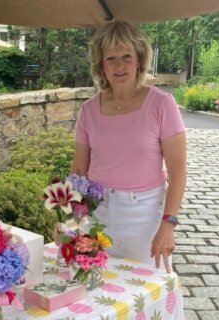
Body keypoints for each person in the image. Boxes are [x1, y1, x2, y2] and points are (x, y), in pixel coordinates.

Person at [71, 20, 186, 273]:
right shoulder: (89, 110)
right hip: (97, 216)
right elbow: (79, 169)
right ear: (101, 65)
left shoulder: (161, 104)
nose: (119, 65)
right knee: (97, 292)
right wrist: (72, 218)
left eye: (126, 56)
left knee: (146, 294)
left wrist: (168, 225)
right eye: (111, 58)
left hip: (144, 220)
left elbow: (178, 171)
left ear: (139, 60)